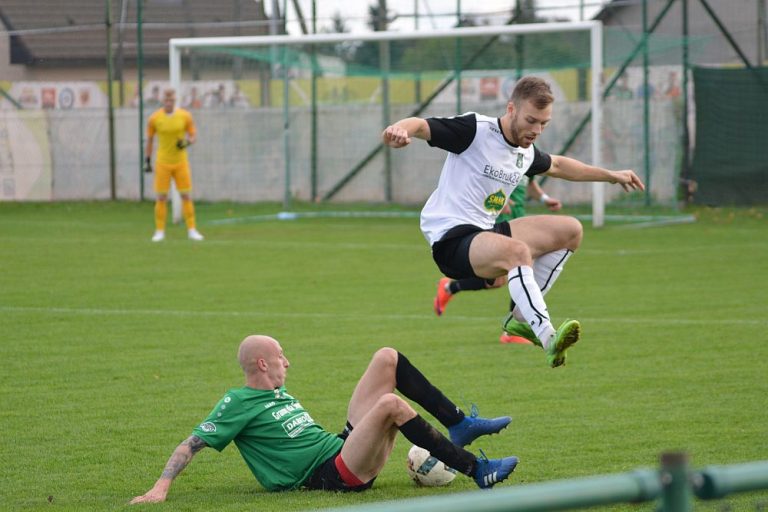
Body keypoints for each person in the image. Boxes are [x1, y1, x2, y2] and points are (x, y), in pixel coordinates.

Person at [382, 76, 645, 368]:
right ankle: (547, 335)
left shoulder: (525, 152)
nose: (536, 130)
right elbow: (420, 126)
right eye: (531, 120)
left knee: (571, 230)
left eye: (544, 123)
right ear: (511, 109)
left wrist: (611, 175)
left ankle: (520, 319)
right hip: (451, 239)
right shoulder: (475, 130)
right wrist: (398, 131)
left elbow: (558, 165)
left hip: (484, 232)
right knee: (518, 252)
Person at [130, 335, 518, 503]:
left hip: (341, 448)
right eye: (282, 355)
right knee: (389, 405)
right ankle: (475, 469)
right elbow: (191, 444)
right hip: (331, 474)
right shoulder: (237, 402)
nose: (288, 361)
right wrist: (160, 487)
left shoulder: (276, 393)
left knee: (387, 357)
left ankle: (458, 423)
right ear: (263, 364)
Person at [433, 178, 562, 346]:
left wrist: (544, 198)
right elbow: (482, 177)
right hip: (498, 219)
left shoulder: (531, 154)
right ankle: (512, 330)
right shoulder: (503, 152)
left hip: (519, 221)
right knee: (518, 271)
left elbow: (530, 183)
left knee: (499, 281)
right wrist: (501, 198)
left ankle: (450, 287)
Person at [144, 88, 204, 242]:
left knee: (186, 195)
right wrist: (147, 160)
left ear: (175, 101)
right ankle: (159, 231)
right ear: (162, 101)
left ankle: (192, 229)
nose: (169, 103)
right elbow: (150, 140)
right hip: (163, 162)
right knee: (161, 197)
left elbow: (193, 135)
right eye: (166, 100)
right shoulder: (155, 118)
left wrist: (186, 142)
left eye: (171, 100)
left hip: (180, 162)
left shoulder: (184, 116)